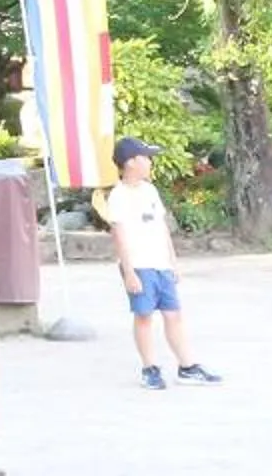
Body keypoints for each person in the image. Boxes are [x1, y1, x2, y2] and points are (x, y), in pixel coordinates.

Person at [100, 137, 219, 389]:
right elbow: (119, 236)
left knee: (173, 314)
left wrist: (173, 262)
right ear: (131, 162)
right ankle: (149, 368)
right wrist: (129, 272)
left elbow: (162, 227)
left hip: (160, 263)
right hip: (139, 265)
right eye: (146, 157)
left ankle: (187, 366)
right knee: (144, 316)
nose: (150, 162)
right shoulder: (118, 197)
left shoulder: (149, 190)